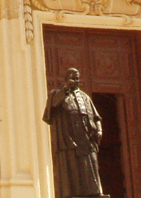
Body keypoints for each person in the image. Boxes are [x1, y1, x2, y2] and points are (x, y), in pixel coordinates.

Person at [43, 68, 104, 198]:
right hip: (69, 141)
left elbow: (96, 117)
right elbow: (52, 108)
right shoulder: (57, 94)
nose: (75, 81)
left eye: (77, 78)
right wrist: (65, 89)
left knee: (91, 169)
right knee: (72, 174)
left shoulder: (85, 97)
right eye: (72, 78)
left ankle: (95, 194)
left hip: (87, 140)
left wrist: (99, 130)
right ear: (66, 80)